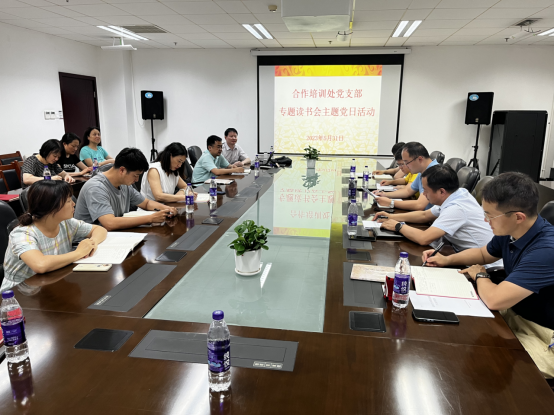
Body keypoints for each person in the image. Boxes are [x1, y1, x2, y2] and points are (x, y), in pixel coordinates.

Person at [422, 172, 554, 379]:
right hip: (516, 313)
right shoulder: (511, 231)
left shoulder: (546, 250)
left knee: (494, 365)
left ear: (518, 217)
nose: (485, 220)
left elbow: (494, 300)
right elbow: (484, 254)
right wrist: (446, 260)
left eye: (490, 216)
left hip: (543, 333)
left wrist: (480, 275)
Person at [374, 165, 501, 267]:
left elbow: (424, 238)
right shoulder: (457, 194)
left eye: (426, 190)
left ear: (441, 191)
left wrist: (398, 226)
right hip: (463, 255)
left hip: (485, 267)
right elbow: (424, 215)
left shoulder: (457, 208)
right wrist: (392, 217)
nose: (424, 195)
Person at [1, 181, 107, 292]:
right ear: (50, 206)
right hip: (20, 292)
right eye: (68, 201)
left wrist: (92, 243)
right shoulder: (22, 234)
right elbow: (40, 265)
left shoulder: (66, 223)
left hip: (52, 281)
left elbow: (99, 229)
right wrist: (79, 252)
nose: (73, 204)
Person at [75, 148, 178, 230]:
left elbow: (146, 203)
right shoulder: (96, 187)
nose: (137, 180)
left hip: (111, 236)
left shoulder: (124, 184)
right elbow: (109, 223)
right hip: (88, 243)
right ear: (122, 170)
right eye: (135, 175)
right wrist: (150, 218)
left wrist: (167, 209)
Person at [374, 142, 438, 211]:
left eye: (406, 163)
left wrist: (391, 203)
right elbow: (407, 191)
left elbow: (419, 205)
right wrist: (385, 194)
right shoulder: (423, 170)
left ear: (419, 159)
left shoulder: (434, 173)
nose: (406, 166)